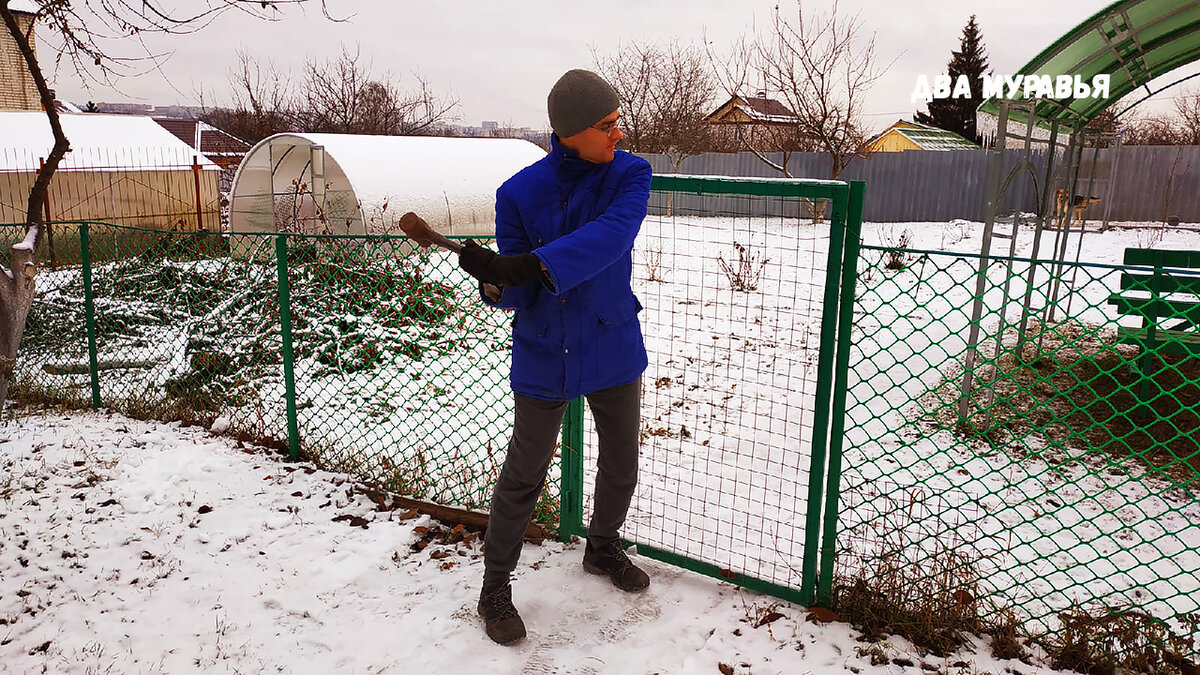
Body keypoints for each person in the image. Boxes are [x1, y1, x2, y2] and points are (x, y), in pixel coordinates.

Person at [456, 69, 653, 645]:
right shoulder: (518, 193)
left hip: (609, 337)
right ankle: (495, 589)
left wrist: (536, 264)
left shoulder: (630, 174)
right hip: (545, 346)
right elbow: (515, 292)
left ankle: (603, 546)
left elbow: (614, 235)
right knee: (524, 473)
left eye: (618, 121)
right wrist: (495, 279)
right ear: (571, 132)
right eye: (606, 124)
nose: (619, 133)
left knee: (621, 459)